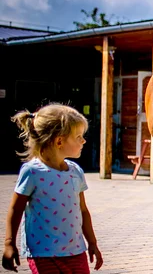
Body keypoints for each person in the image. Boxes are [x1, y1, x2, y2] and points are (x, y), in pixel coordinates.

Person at [3, 104, 103, 273]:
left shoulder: (75, 171)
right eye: (78, 136)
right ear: (59, 141)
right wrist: (9, 243)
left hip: (76, 251)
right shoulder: (32, 172)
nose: (83, 141)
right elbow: (16, 209)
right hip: (43, 254)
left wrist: (92, 243)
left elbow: (83, 210)